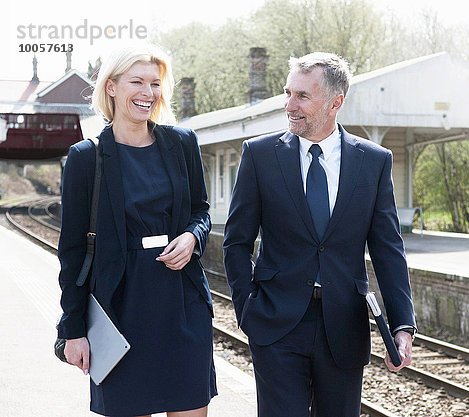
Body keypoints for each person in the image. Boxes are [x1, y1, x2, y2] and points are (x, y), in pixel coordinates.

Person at [223, 52, 416, 417]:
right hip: (276, 324)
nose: (289, 105)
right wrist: (247, 308)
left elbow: (389, 249)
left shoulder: (374, 162)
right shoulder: (260, 156)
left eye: (302, 96)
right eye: (287, 93)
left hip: (343, 326)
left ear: (335, 103)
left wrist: (403, 325)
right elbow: (236, 242)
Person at [57, 44, 217, 417]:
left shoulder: (182, 143)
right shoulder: (86, 157)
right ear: (111, 87)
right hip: (120, 308)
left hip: (182, 301)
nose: (148, 93)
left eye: (155, 84)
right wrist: (73, 329)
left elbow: (200, 211)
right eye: (137, 82)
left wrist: (193, 236)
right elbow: (72, 252)